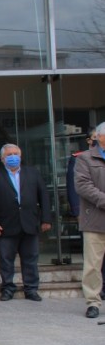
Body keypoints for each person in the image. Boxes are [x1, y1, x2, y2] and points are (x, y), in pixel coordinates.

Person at [0, 143, 52, 302]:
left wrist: (46, 219)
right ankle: (7, 288)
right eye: (9, 155)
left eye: (16, 154)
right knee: (6, 259)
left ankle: (31, 288)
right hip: (5, 225)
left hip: (29, 223)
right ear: (2, 158)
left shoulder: (33, 173)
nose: (13, 157)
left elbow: (44, 197)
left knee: (31, 258)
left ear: (20, 156)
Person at [72, 123, 105, 318]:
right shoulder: (85, 158)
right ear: (100, 137)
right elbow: (83, 186)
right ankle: (93, 302)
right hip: (95, 220)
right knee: (93, 265)